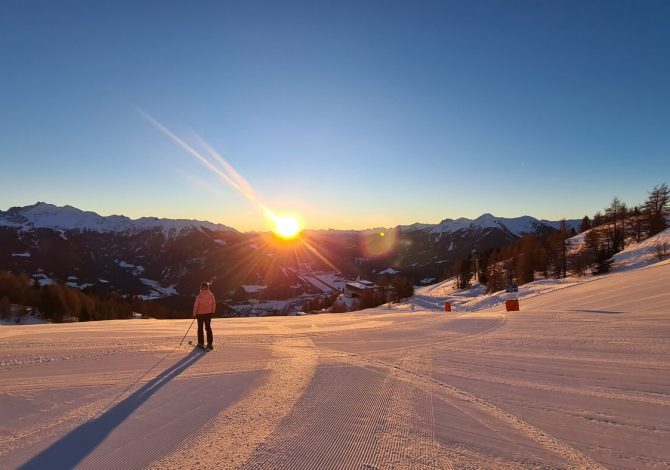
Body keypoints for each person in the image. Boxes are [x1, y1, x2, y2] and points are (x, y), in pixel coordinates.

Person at [193, 282, 216, 349]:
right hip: (208, 314)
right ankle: (210, 343)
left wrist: (194, 314)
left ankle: (201, 343)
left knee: (200, 328)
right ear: (207, 287)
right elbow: (213, 304)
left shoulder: (199, 296)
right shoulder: (211, 295)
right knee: (208, 328)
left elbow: (196, 306)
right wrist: (213, 312)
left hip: (200, 314)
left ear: (201, 288)